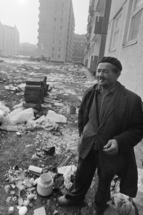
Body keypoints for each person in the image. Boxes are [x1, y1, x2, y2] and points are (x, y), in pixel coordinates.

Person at [58, 57, 143, 215]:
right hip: (89, 143)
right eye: (98, 71)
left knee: (104, 180)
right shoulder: (90, 92)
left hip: (109, 150)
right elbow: (83, 116)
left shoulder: (132, 100)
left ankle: (100, 206)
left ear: (117, 75)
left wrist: (119, 141)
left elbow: (138, 129)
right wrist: (82, 135)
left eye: (105, 71)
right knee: (82, 173)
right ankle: (75, 198)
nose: (100, 75)